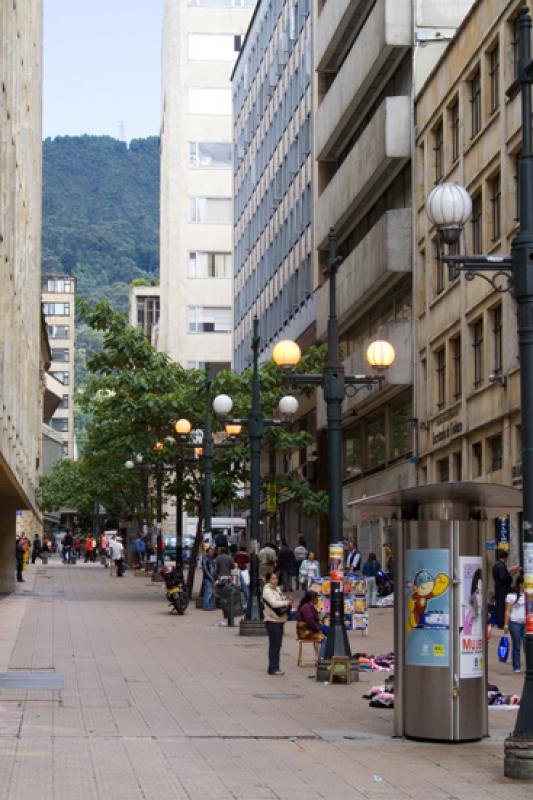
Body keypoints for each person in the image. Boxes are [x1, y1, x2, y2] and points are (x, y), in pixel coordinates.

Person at [262, 572, 292, 675]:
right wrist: (286, 603)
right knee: (274, 645)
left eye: (276, 579)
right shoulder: (267, 591)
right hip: (272, 620)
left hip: (279, 620)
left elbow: (281, 600)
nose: (275, 581)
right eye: (273, 579)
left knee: (278, 645)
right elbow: (274, 604)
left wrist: (286, 601)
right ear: (268, 580)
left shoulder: (277, 589)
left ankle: (275, 666)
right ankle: (273, 668)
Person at [504, 574, 525, 672]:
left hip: (526, 624)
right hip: (514, 623)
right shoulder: (511, 596)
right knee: (516, 644)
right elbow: (507, 611)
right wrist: (506, 624)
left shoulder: (528, 595)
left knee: (527, 644)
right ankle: (516, 666)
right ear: (520, 584)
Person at [492, 549, 515, 628]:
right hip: (503, 588)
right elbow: (502, 577)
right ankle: (501, 623)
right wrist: (510, 575)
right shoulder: (501, 566)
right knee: (502, 605)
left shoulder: (496, 565)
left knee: (499, 604)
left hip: (498, 587)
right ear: (505, 557)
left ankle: (500, 622)